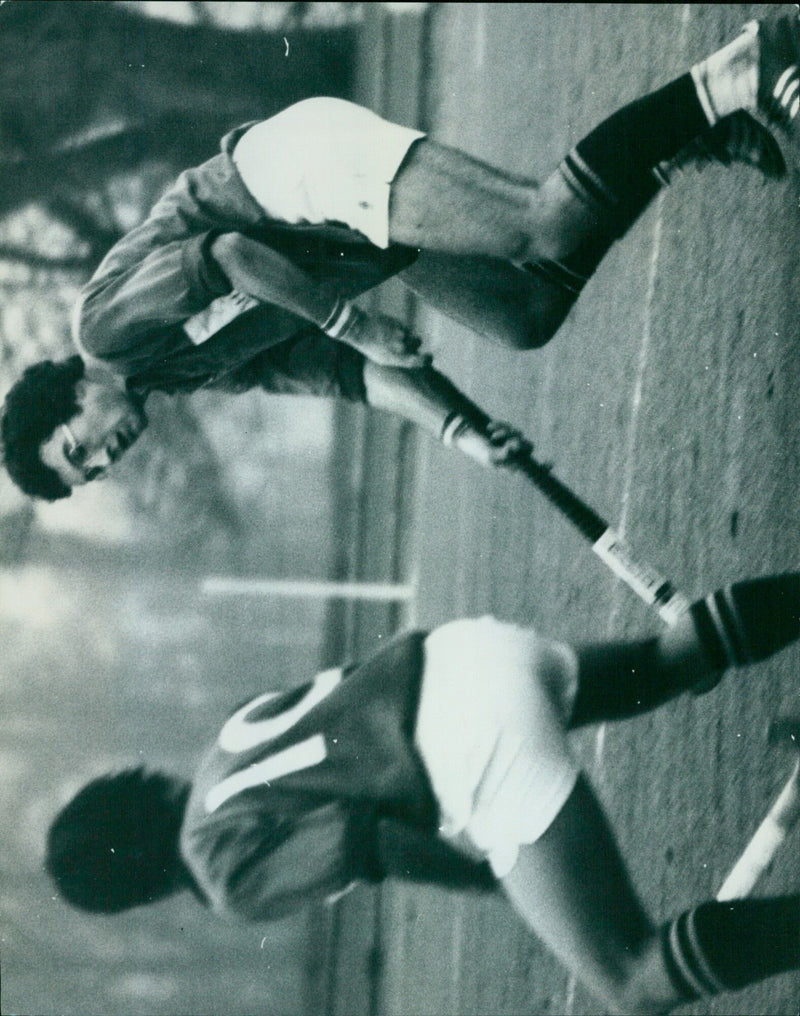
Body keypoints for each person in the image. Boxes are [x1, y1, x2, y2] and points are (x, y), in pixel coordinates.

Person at [2, 10, 798, 502]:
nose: (104, 456)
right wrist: (459, 429)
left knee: (540, 226)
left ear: (68, 396)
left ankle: (736, 70)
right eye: (93, 472)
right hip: (338, 244)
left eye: (80, 448)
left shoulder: (104, 335)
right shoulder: (181, 376)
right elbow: (352, 378)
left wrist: (352, 324)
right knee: (523, 315)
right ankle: (680, 138)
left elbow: (234, 253)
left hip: (290, 182)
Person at [46, 572, 800, 1014]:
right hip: (464, 653)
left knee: (630, 977)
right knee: (665, 662)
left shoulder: (222, 873)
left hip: (467, 747)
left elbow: (365, 841)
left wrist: (493, 880)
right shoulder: (221, 746)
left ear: (133, 890)